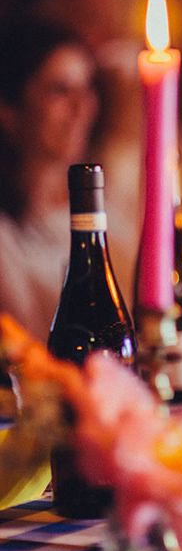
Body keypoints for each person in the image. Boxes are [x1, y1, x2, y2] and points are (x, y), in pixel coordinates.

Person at [26, 0, 182, 302]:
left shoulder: (142, 112)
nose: (104, 38)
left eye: (109, 21)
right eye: (86, 19)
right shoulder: (36, 153)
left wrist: (163, 271)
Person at [0, 18, 99, 338]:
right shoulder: (7, 236)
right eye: (60, 90)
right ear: (9, 109)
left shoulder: (105, 202)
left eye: (87, 88)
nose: (81, 106)